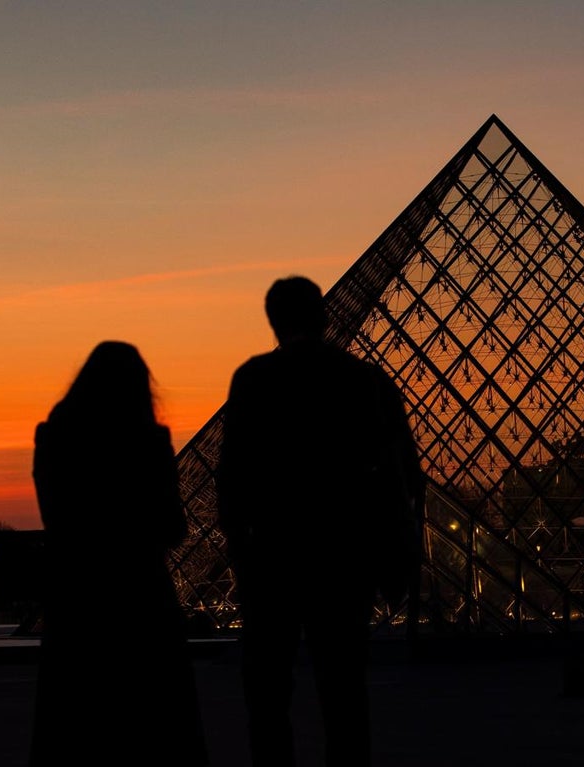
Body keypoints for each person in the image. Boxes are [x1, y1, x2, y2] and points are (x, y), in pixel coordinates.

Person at [216, 275, 424, 767]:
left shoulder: (253, 378)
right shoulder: (368, 380)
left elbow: (232, 471)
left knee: (268, 696)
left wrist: (239, 546)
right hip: (345, 556)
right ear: (326, 316)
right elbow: (402, 476)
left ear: (273, 323)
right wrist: (394, 556)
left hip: (273, 555)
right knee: (345, 691)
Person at [29, 341, 207, 767]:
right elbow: (172, 526)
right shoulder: (150, 440)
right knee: (155, 730)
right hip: (142, 600)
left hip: (77, 600)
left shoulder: (52, 437)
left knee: (72, 727)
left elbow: (55, 518)